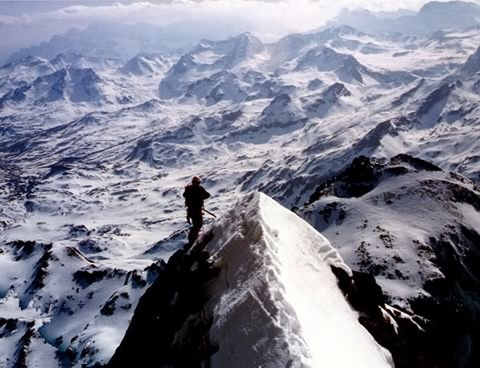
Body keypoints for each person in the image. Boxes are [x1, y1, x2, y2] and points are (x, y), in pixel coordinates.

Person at [183, 176, 210, 245]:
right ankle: (193, 239)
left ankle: (193, 239)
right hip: (196, 209)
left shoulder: (189, 189)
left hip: (191, 210)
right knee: (198, 224)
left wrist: (199, 198)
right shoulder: (199, 188)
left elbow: (185, 195)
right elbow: (207, 195)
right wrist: (200, 198)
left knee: (197, 224)